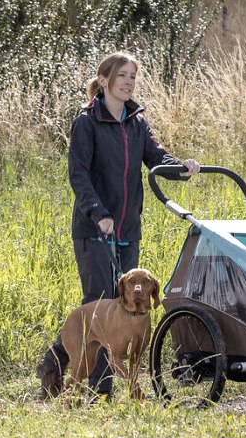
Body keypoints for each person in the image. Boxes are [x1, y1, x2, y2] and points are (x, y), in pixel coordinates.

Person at [40, 51, 200, 398]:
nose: (128, 82)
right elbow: (78, 175)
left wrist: (181, 168)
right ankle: (98, 388)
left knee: (122, 305)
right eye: (122, 76)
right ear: (104, 81)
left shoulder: (137, 121)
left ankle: (56, 363)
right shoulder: (87, 121)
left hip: (128, 228)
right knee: (98, 302)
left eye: (132, 77)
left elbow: (157, 158)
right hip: (94, 228)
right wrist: (98, 212)